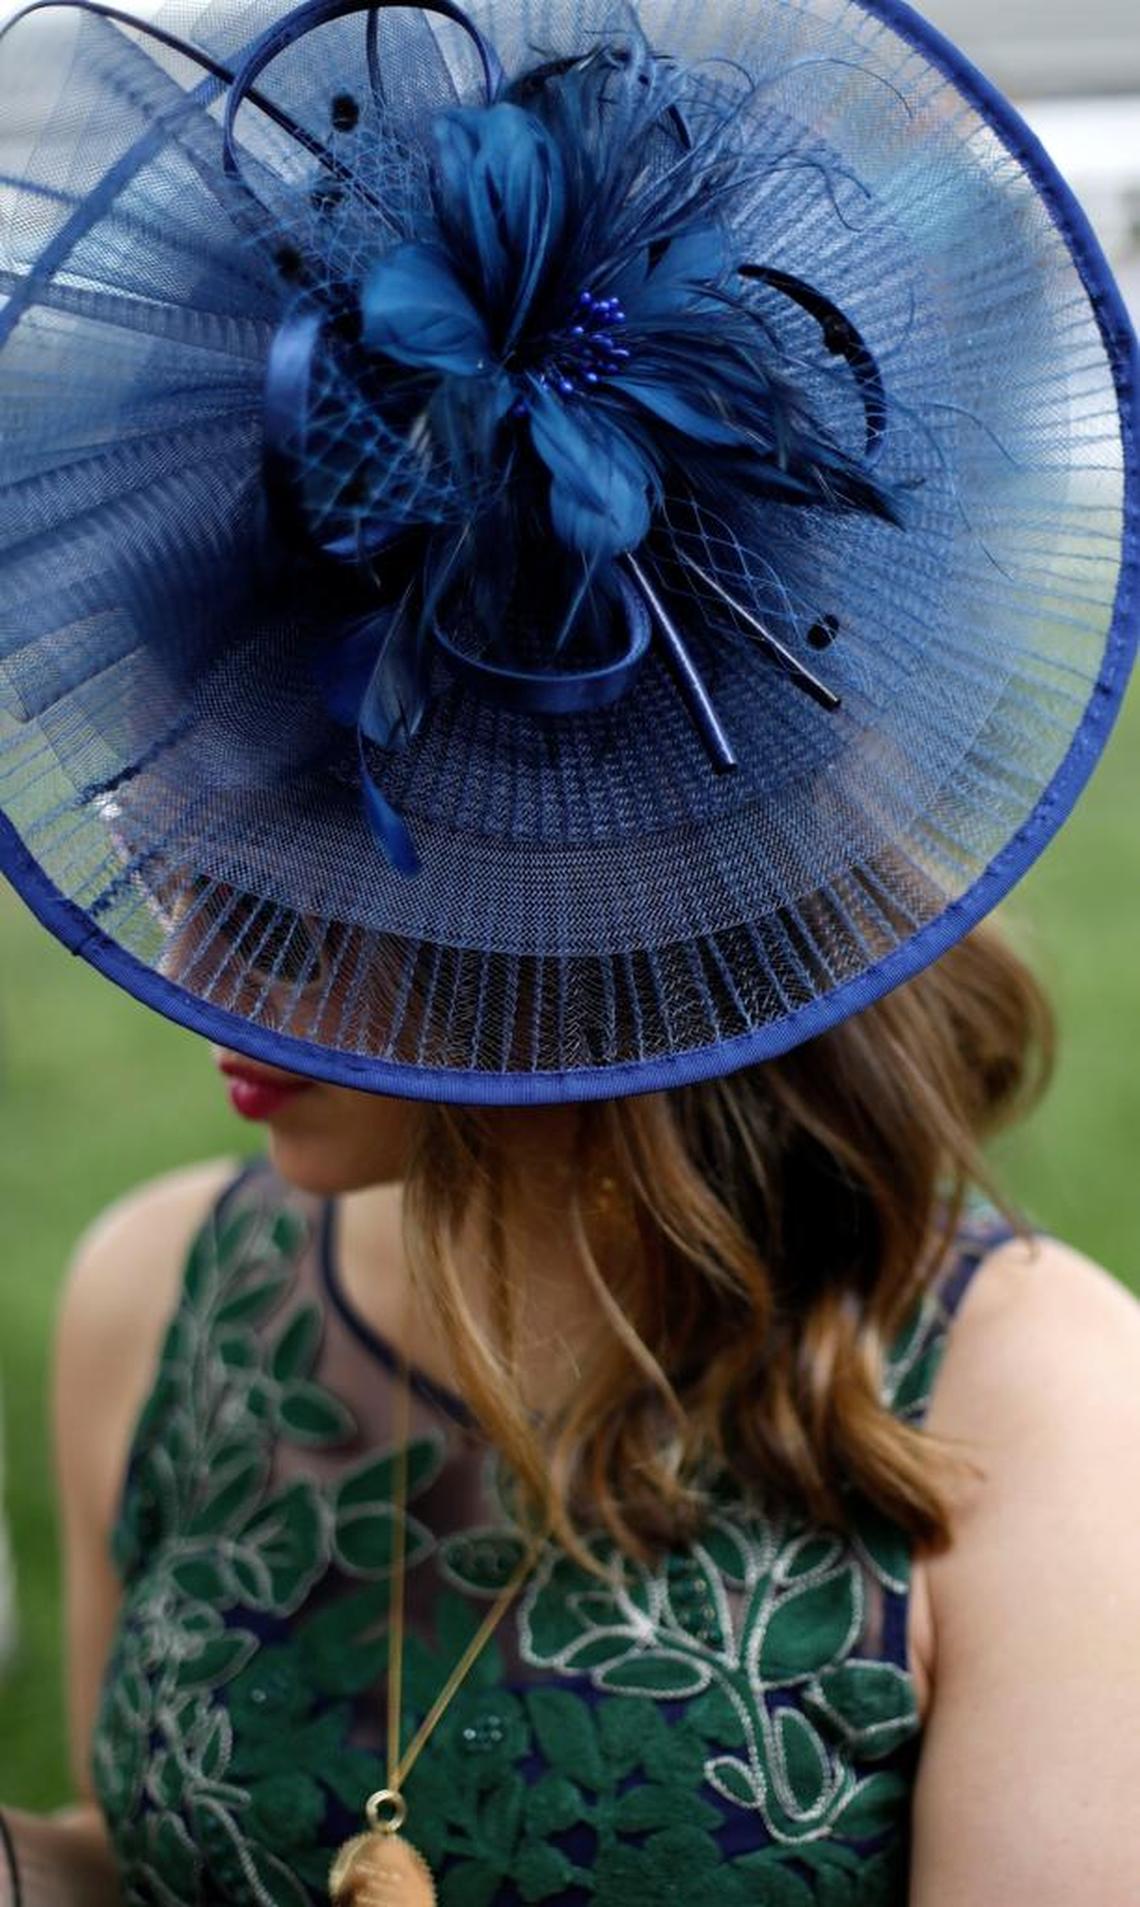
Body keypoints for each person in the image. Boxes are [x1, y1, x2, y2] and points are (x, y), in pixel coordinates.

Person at [0, 0, 1138, 1900]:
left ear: (583, 912)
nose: (192, 968)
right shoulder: (161, 1300)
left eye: (299, 911)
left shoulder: (1033, 1418)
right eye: (164, 857)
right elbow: (158, 1862)